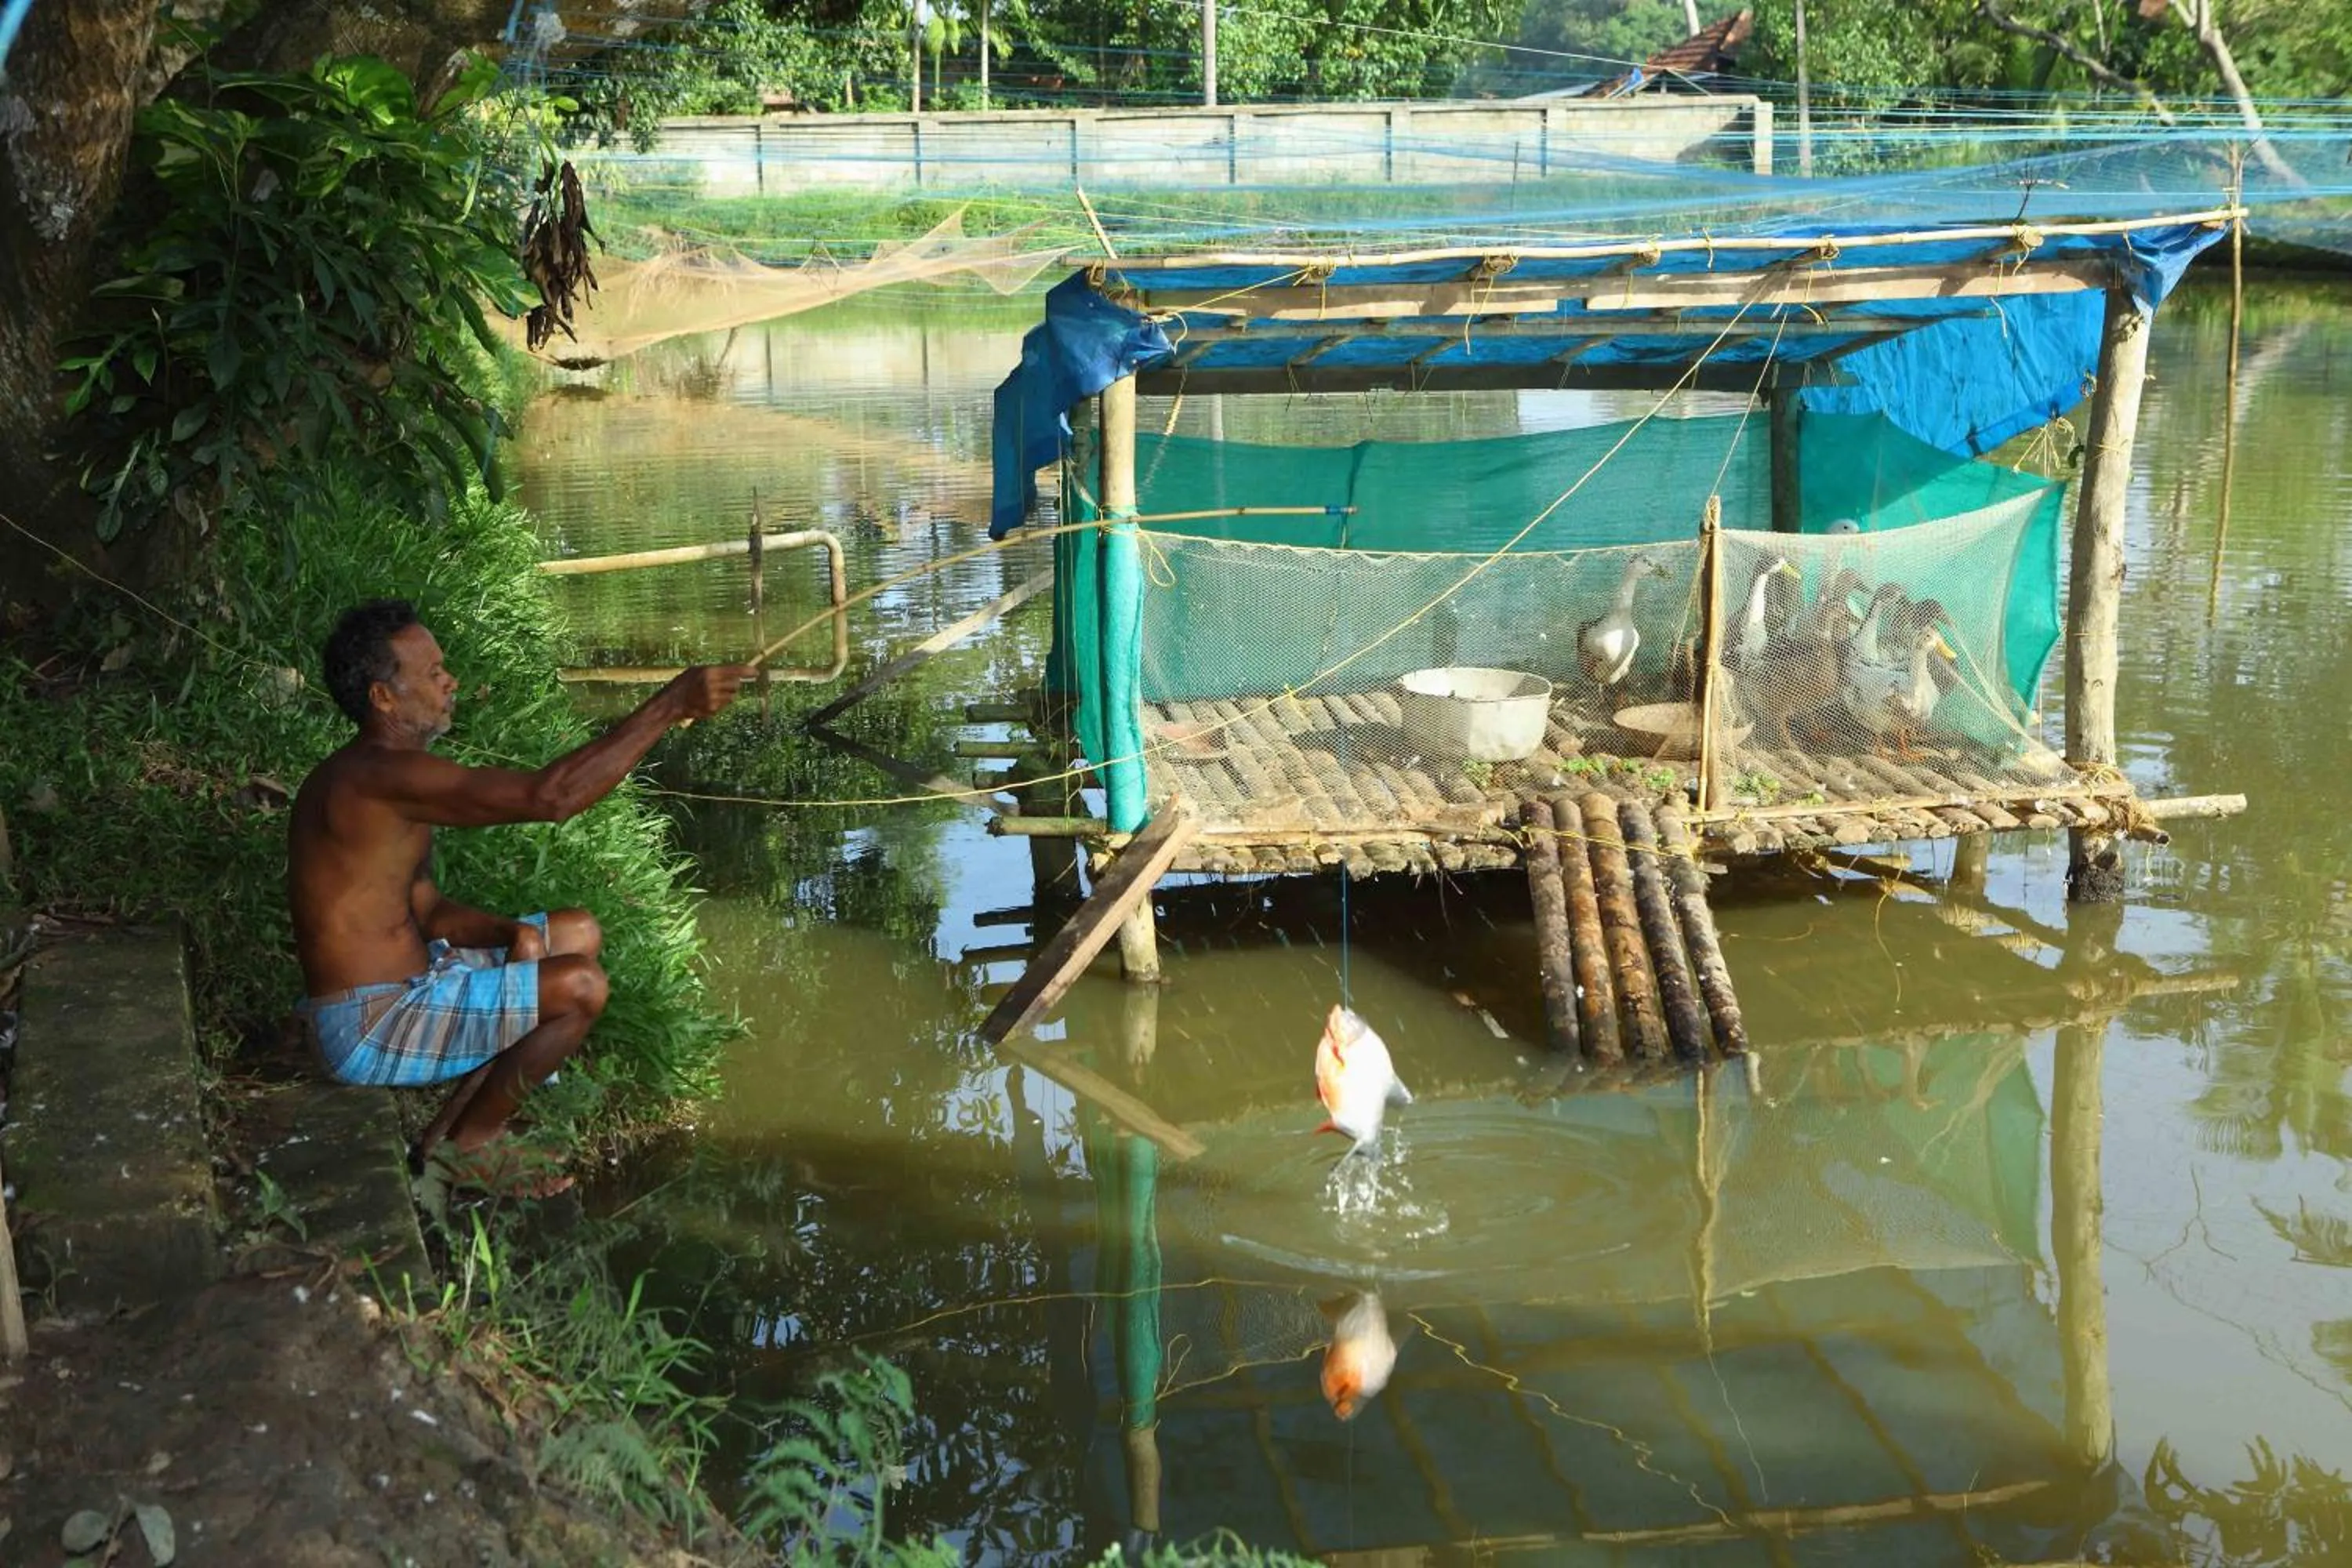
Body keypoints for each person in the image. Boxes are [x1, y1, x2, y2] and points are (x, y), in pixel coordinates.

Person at [289, 598, 752, 1197]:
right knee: (582, 985)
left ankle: (488, 1099)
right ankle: (472, 1148)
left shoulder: (384, 772)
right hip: (371, 1027)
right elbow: (550, 797)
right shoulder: (380, 777)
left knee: (576, 931)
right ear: (383, 698)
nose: (450, 681)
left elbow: (425, 909)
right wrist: (669, 706)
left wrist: (510, 933)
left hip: (417, 982)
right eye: (432, 674)